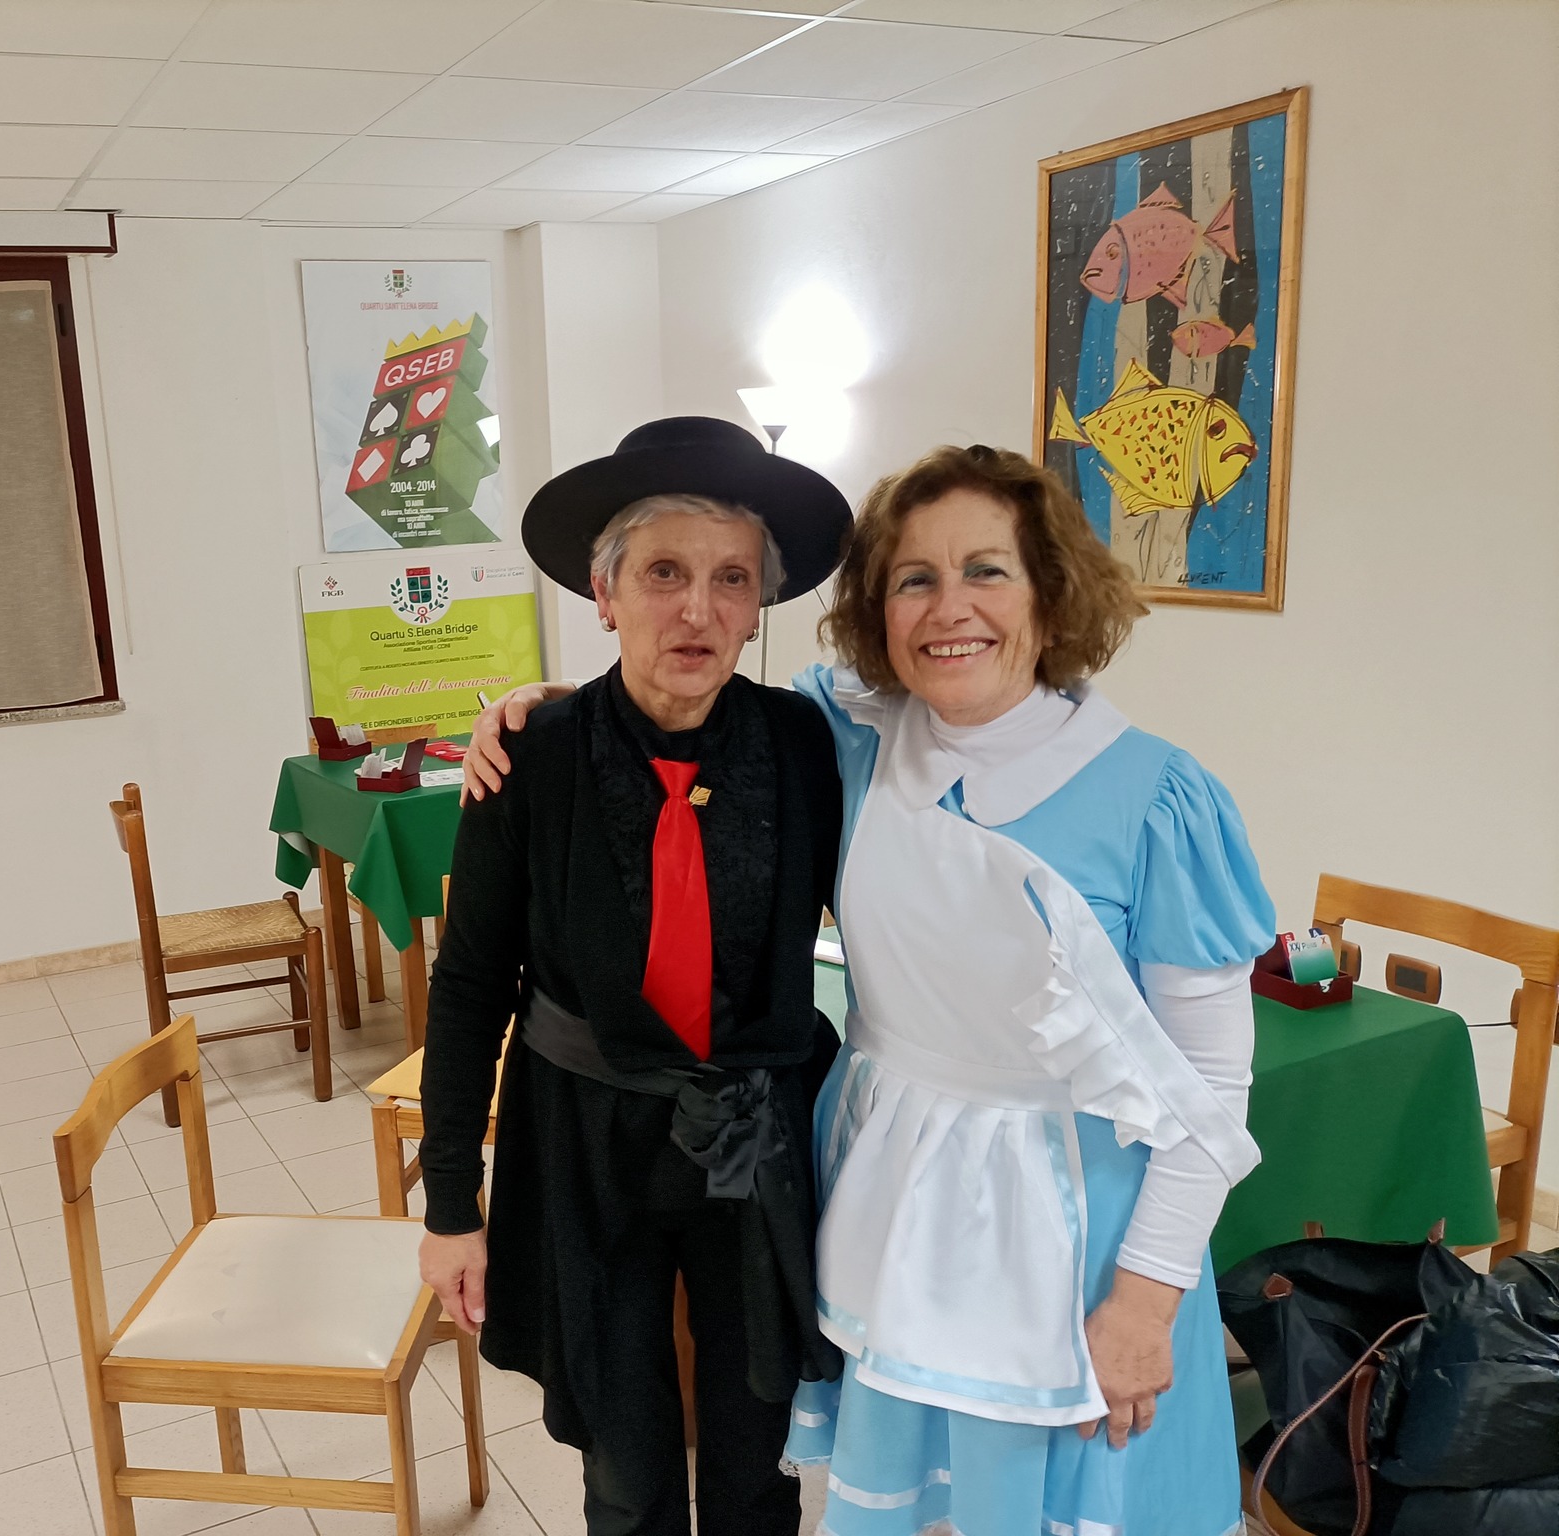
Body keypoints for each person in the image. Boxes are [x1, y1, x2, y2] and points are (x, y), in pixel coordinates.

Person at [465, 443, 1275, 1536]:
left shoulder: (1157, 796)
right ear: (877, 611)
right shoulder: (854, 737)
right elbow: (681, 705)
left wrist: (1146, 1297)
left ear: (1049, 589)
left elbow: (1213, 1084)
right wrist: (551, 708)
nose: (950, 609)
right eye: (913, 579)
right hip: (892, 1211)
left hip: (1066, 1243)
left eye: (986, 570)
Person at [419, 416, 853, 1536]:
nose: (697, 610)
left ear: (758, 605)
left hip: (751, 1136)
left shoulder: (803, 746)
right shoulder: (531, 758)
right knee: (623, 1451)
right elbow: (468, 989)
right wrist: (451, 1204)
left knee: (757, 1443)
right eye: (663, 573)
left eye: (730, 578)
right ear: (604, 593)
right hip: (586, 1143)